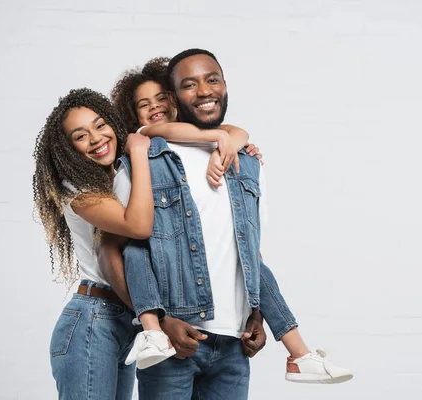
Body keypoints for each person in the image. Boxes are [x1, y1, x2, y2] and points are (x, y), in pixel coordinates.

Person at [103, 50, 353, 399]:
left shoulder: (247, 161)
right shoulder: (142, 159)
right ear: (178, 96)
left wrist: (256, 311)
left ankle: (299, 353)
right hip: (176, 339)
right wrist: (158, 322)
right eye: (190, 84)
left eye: (212, 79)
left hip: (234, 345)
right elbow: (117, 250)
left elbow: (250, 250)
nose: (204, 91)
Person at [33, 88, 263, 399]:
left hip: (127, 321)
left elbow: (223, 132)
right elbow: (139, 227)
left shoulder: (116, 174)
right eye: (80, 135)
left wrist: (230, 146)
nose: (96, 138)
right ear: (68, 149)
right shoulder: (78, 190)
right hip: (94, 319)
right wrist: (140, 154)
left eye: (100, 125)